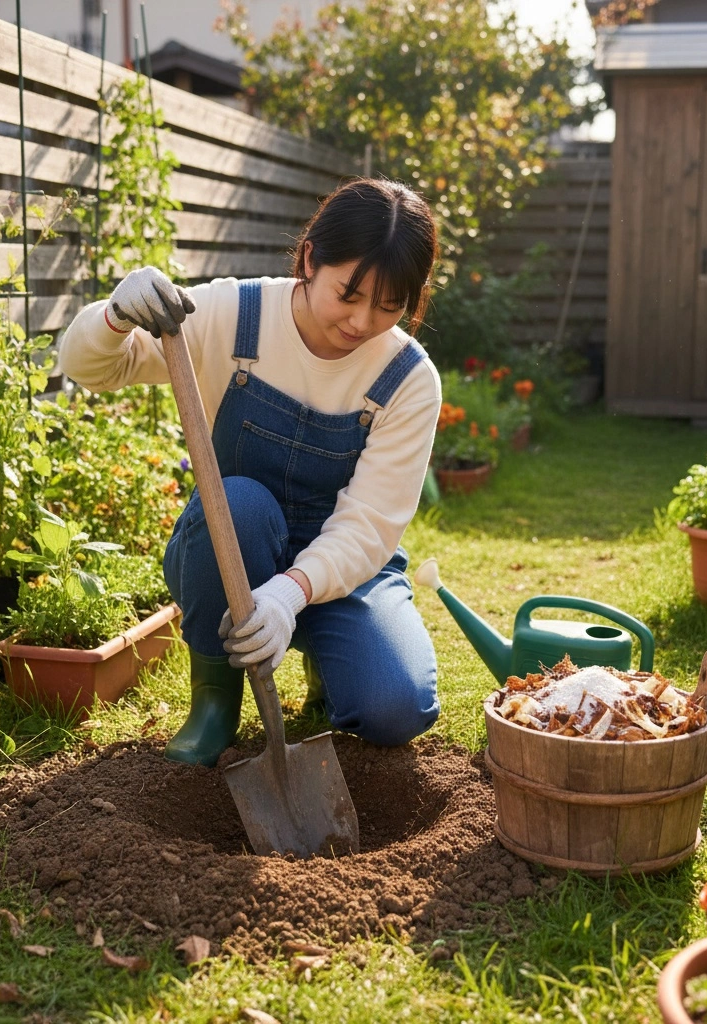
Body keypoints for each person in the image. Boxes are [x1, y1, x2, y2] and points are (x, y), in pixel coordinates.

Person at [58, 177, 442, 766]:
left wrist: (290, 594)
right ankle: (215, 700)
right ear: (310, 259)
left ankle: (328, 666)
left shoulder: (407, 379)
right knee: (238, 503)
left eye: (388, 306)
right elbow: (94, 369)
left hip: (346, 561)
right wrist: (112, 318)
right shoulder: (235, 314)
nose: (362, 321)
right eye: (349, 294)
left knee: (397, 707)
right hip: (234, 540)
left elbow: (369, 524)